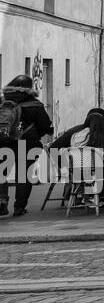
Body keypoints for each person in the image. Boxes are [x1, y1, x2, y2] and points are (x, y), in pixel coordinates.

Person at [0, 75, 52, 217]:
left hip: (3, 142)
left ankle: (2, 203)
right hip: (27, 143)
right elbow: (44, 125)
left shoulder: (3, 102)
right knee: (23, 176)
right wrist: (37, 134)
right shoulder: (34, 104)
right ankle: (19, 207)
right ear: (29, 89)